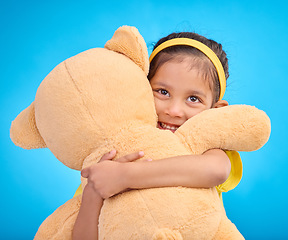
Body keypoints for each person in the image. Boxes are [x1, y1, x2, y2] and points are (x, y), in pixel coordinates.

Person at [72, 31, 242, 240]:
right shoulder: (116, 152)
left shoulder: (206, 151)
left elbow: (216, 170)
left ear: (216, 110)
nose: (174, 110)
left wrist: (123, 176)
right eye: (162, 92)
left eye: (193, 98)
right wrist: (93, 192)